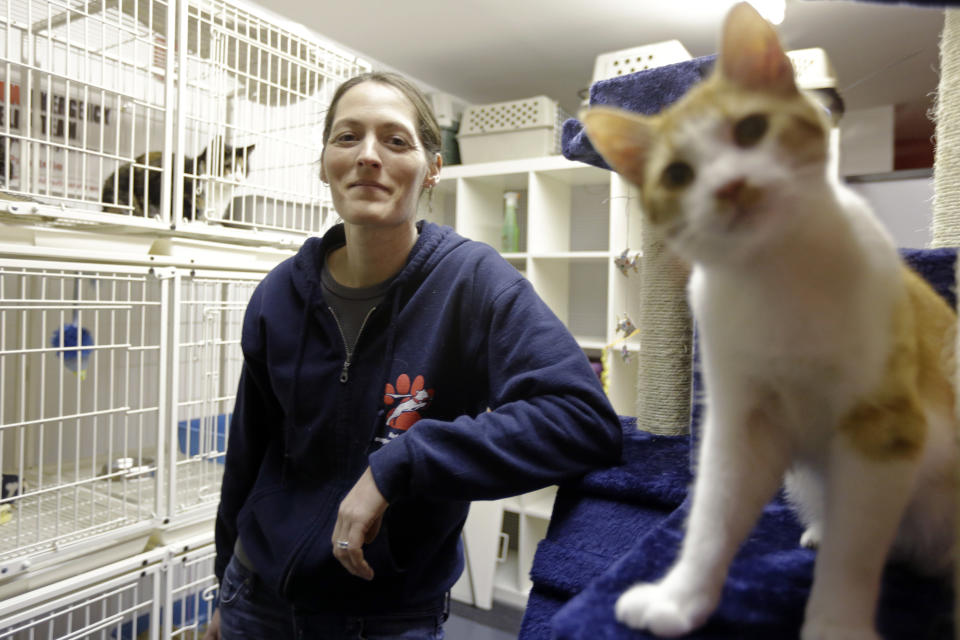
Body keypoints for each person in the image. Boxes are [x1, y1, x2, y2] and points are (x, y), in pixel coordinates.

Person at [203, 71, 622, 640]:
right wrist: (224, 581)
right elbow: (249, 452)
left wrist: (402, 464)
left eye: (395, 140)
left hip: (385, 614)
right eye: (347, 137)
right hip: (257, 595)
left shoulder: (473, 282)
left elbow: (581, 420)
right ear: (325, 161)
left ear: (432, 167)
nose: (368, 156)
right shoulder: (280, 292)